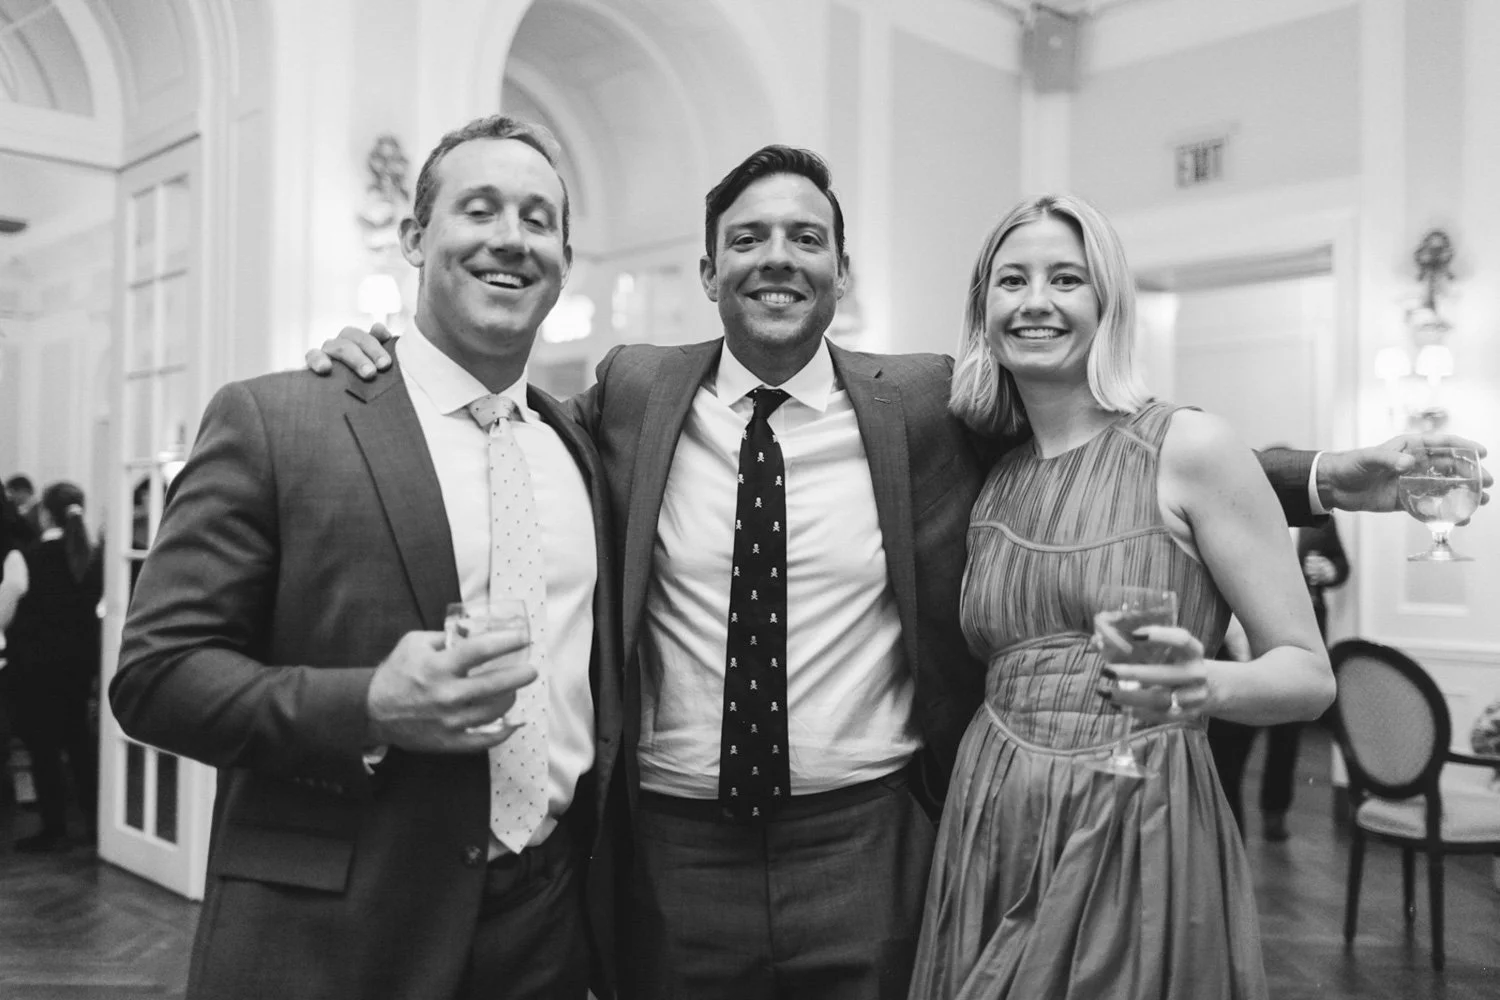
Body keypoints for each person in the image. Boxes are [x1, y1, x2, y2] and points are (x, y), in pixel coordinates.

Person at [308, 146, 1491, 1000]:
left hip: (870, 843)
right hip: (671, 845)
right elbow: (493, 426)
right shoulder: (628, 393)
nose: (779, 258)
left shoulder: (923, 403)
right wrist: (388, 359)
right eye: (751, 239)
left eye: (806, 238)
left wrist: (1334, 473)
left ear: (841, 271)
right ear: (708, 266)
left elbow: (1121, 447)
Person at [109, 115, 623, 1000]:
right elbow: (155, 677)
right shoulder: (280, 420)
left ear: (565, 261)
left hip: (546, 926)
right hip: (333, 932)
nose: (511, 237)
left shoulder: (581, 443)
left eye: (539, 220)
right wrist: (371, 706)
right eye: (481, 209)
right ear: (416, 238)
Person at [907, 194, 1342, 999]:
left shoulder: (1191, 448)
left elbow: (1309, 676)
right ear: (984, 311)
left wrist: (1201, 685)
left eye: (1066, 279)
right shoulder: (994, 479)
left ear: (1107, 305)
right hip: (993, 810)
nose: (1036, 301)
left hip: (1133, 808)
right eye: (1012, 281)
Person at [0, 482, 103, 852]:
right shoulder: (92, 557)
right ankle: (96, 823)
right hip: (80, 664)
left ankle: (54, 827)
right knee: (79, 741)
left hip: (36, 666)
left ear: (44, 514)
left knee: (42, 746)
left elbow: (8, 616)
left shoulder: (26, 557)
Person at [4, 474, 41, 539]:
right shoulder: (23, 511)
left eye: (11, 492)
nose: (9, 497)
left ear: (22, 491)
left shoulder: (35, 511)